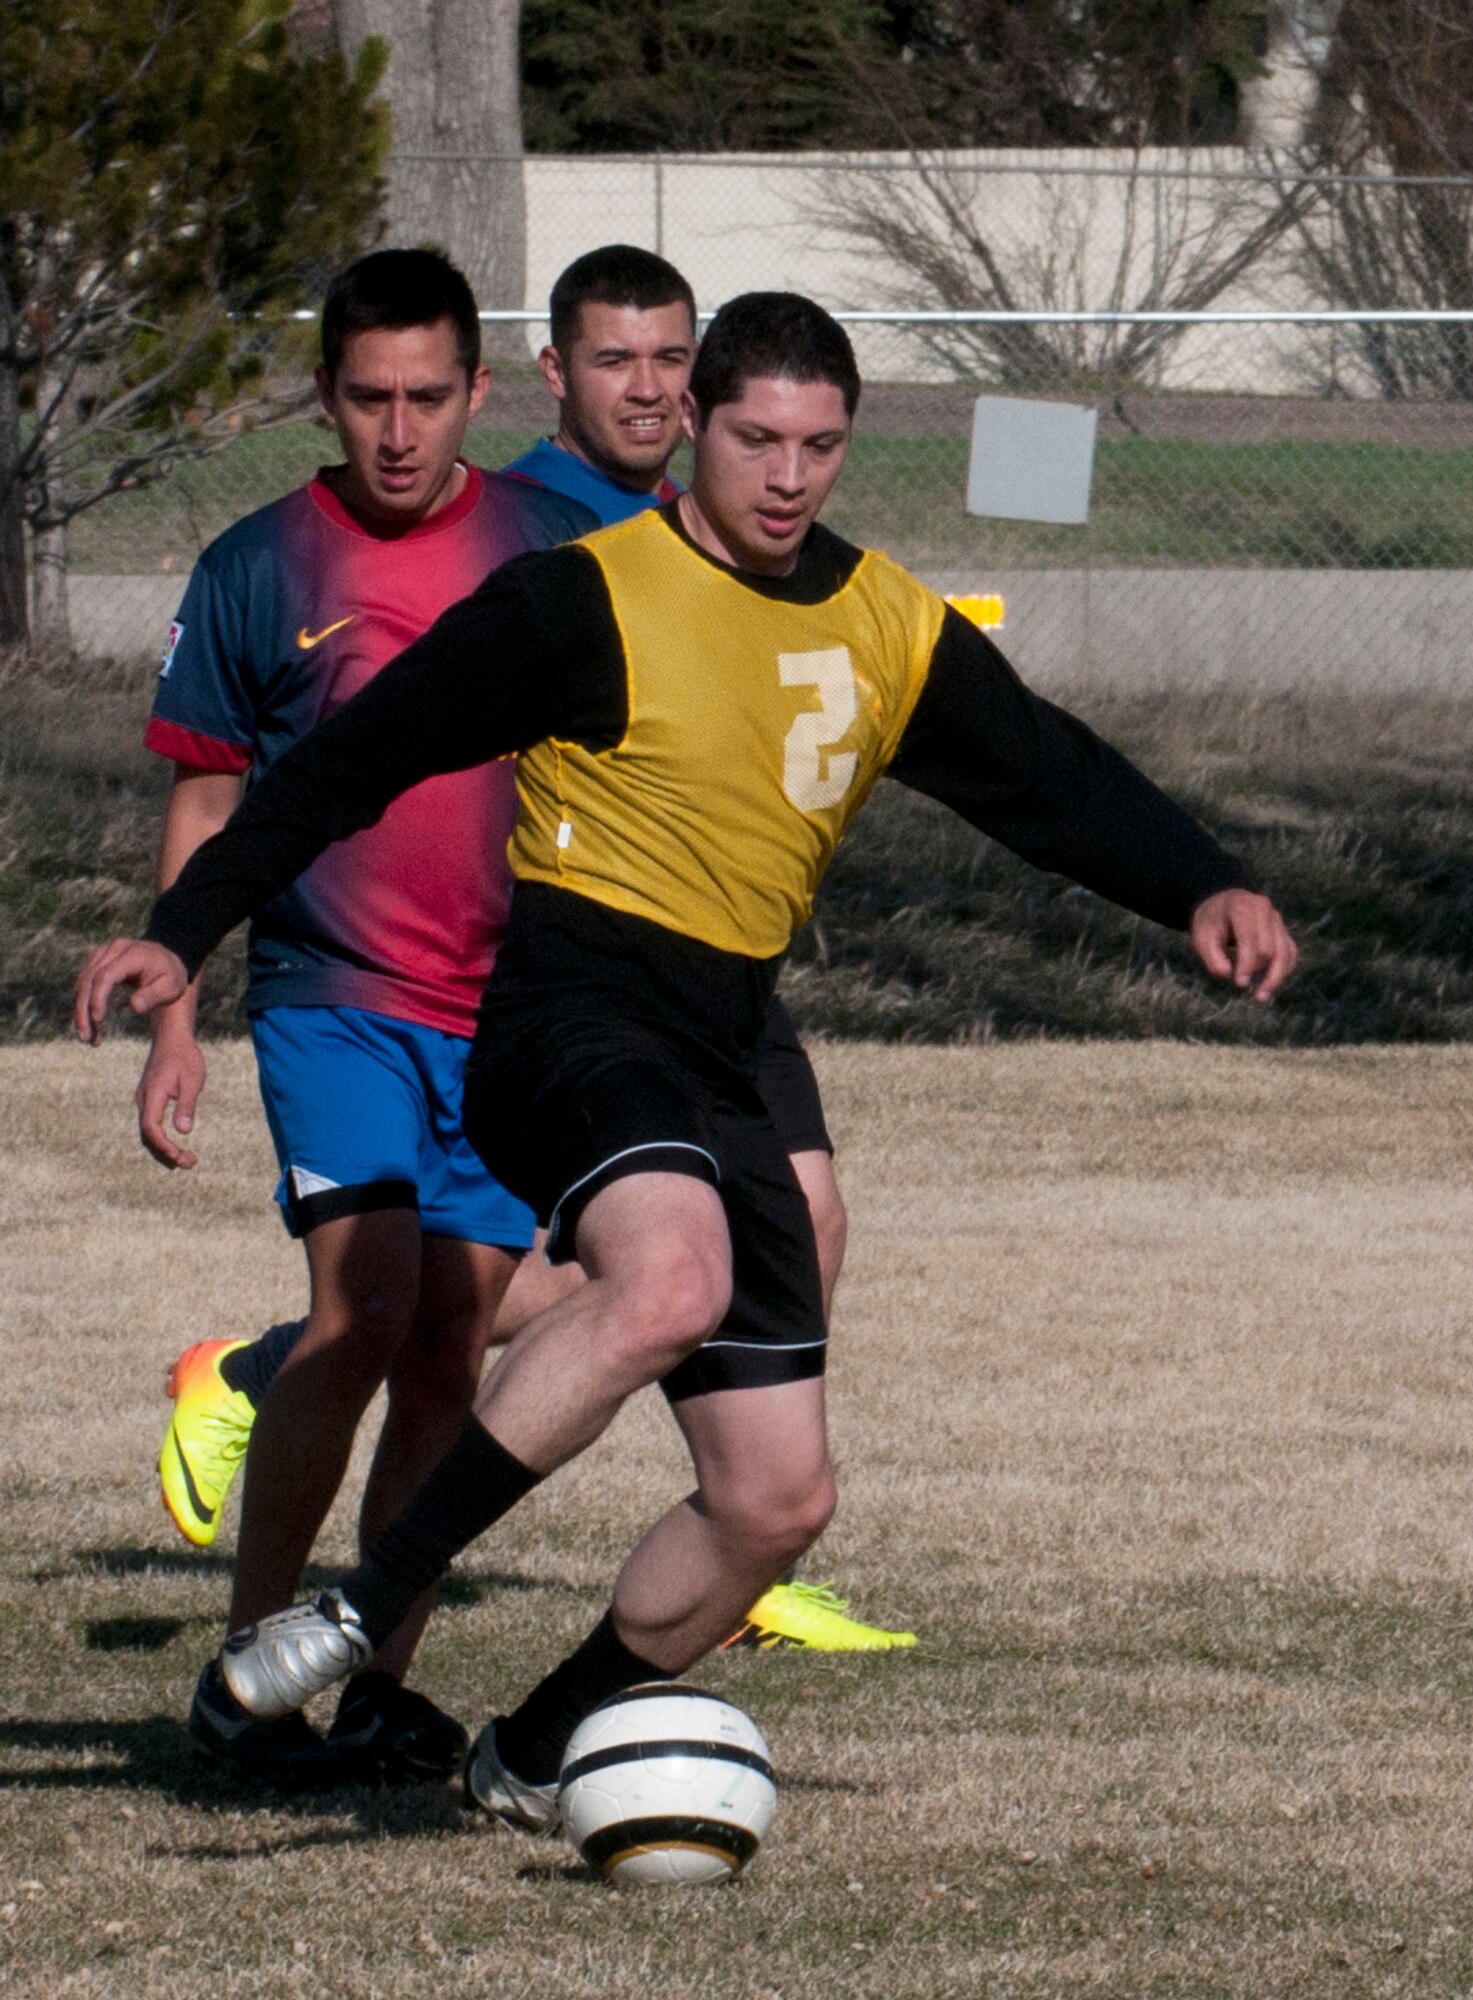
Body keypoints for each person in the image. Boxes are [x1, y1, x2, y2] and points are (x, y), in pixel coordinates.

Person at [77, 292, 1297, 1835]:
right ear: (694, 432)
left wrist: (1200, 880)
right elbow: (342, 764)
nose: (786, 478)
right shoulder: (584, 597)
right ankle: (350, 1613)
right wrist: (184, 935)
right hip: (572, 1012)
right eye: (755, 441)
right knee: (664, 1282)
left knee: (773, 1499)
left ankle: (533, 1747)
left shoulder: (886, 621)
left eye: (819, 446)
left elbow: (1046, 776)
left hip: (727, 1036)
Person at [161, 245, 912, 1658]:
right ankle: (275, 1602)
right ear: (548, 375)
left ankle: (723, 1526)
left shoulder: (628, 539)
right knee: (395, 1302)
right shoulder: (385, 548)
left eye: (672, 359)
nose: (651, 387)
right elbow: (277, 775)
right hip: (370, 985)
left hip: (550, 985)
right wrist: (176, 978)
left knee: (524, 1306)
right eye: (617, 359)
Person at [136, 247, 597, 1789]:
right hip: (330, 995)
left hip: (506, 1007)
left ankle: (376, 1684)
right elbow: (209, 792)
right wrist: (177, 1008)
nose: (397, 433)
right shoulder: (261, 564)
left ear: (478, 392)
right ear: (325, 399)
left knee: (455, 1342)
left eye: (425, 398)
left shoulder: (557, 546)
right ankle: (252, 1668)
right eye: (365, 400)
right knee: (363, 1308)